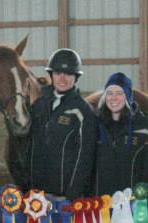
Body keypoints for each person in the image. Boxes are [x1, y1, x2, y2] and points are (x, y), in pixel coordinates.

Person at [26, 48, 98, 199]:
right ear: (51, 75)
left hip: (65, 197)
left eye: (69, 74)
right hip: (37, 196)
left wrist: (72, 194)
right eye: (58, 73)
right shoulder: (38, 106)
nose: (63, 79)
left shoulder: (84, 112)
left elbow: (85, 157)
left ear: (76, 77)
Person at [94, 71, 148, 196]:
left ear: (128, 96)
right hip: (100, 202)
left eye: (119, 93)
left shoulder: (144, 128)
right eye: (110, 93)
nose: (114, 98)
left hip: (132, 202)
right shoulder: (94, 125)